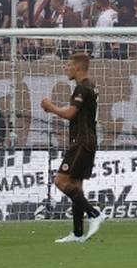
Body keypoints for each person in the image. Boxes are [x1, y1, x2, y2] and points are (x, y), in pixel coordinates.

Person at [41, 53, 105, 243]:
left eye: (68, 65)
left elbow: (70, 113)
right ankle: (78, 234)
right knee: (76, 185)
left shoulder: (82, 88)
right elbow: (76, 112)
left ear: (77, 67)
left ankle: (94, 214)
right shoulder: (90, 86)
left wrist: (50, 106)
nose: (66, 68)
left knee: (61, 181)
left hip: (81, 142)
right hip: (88, 140)